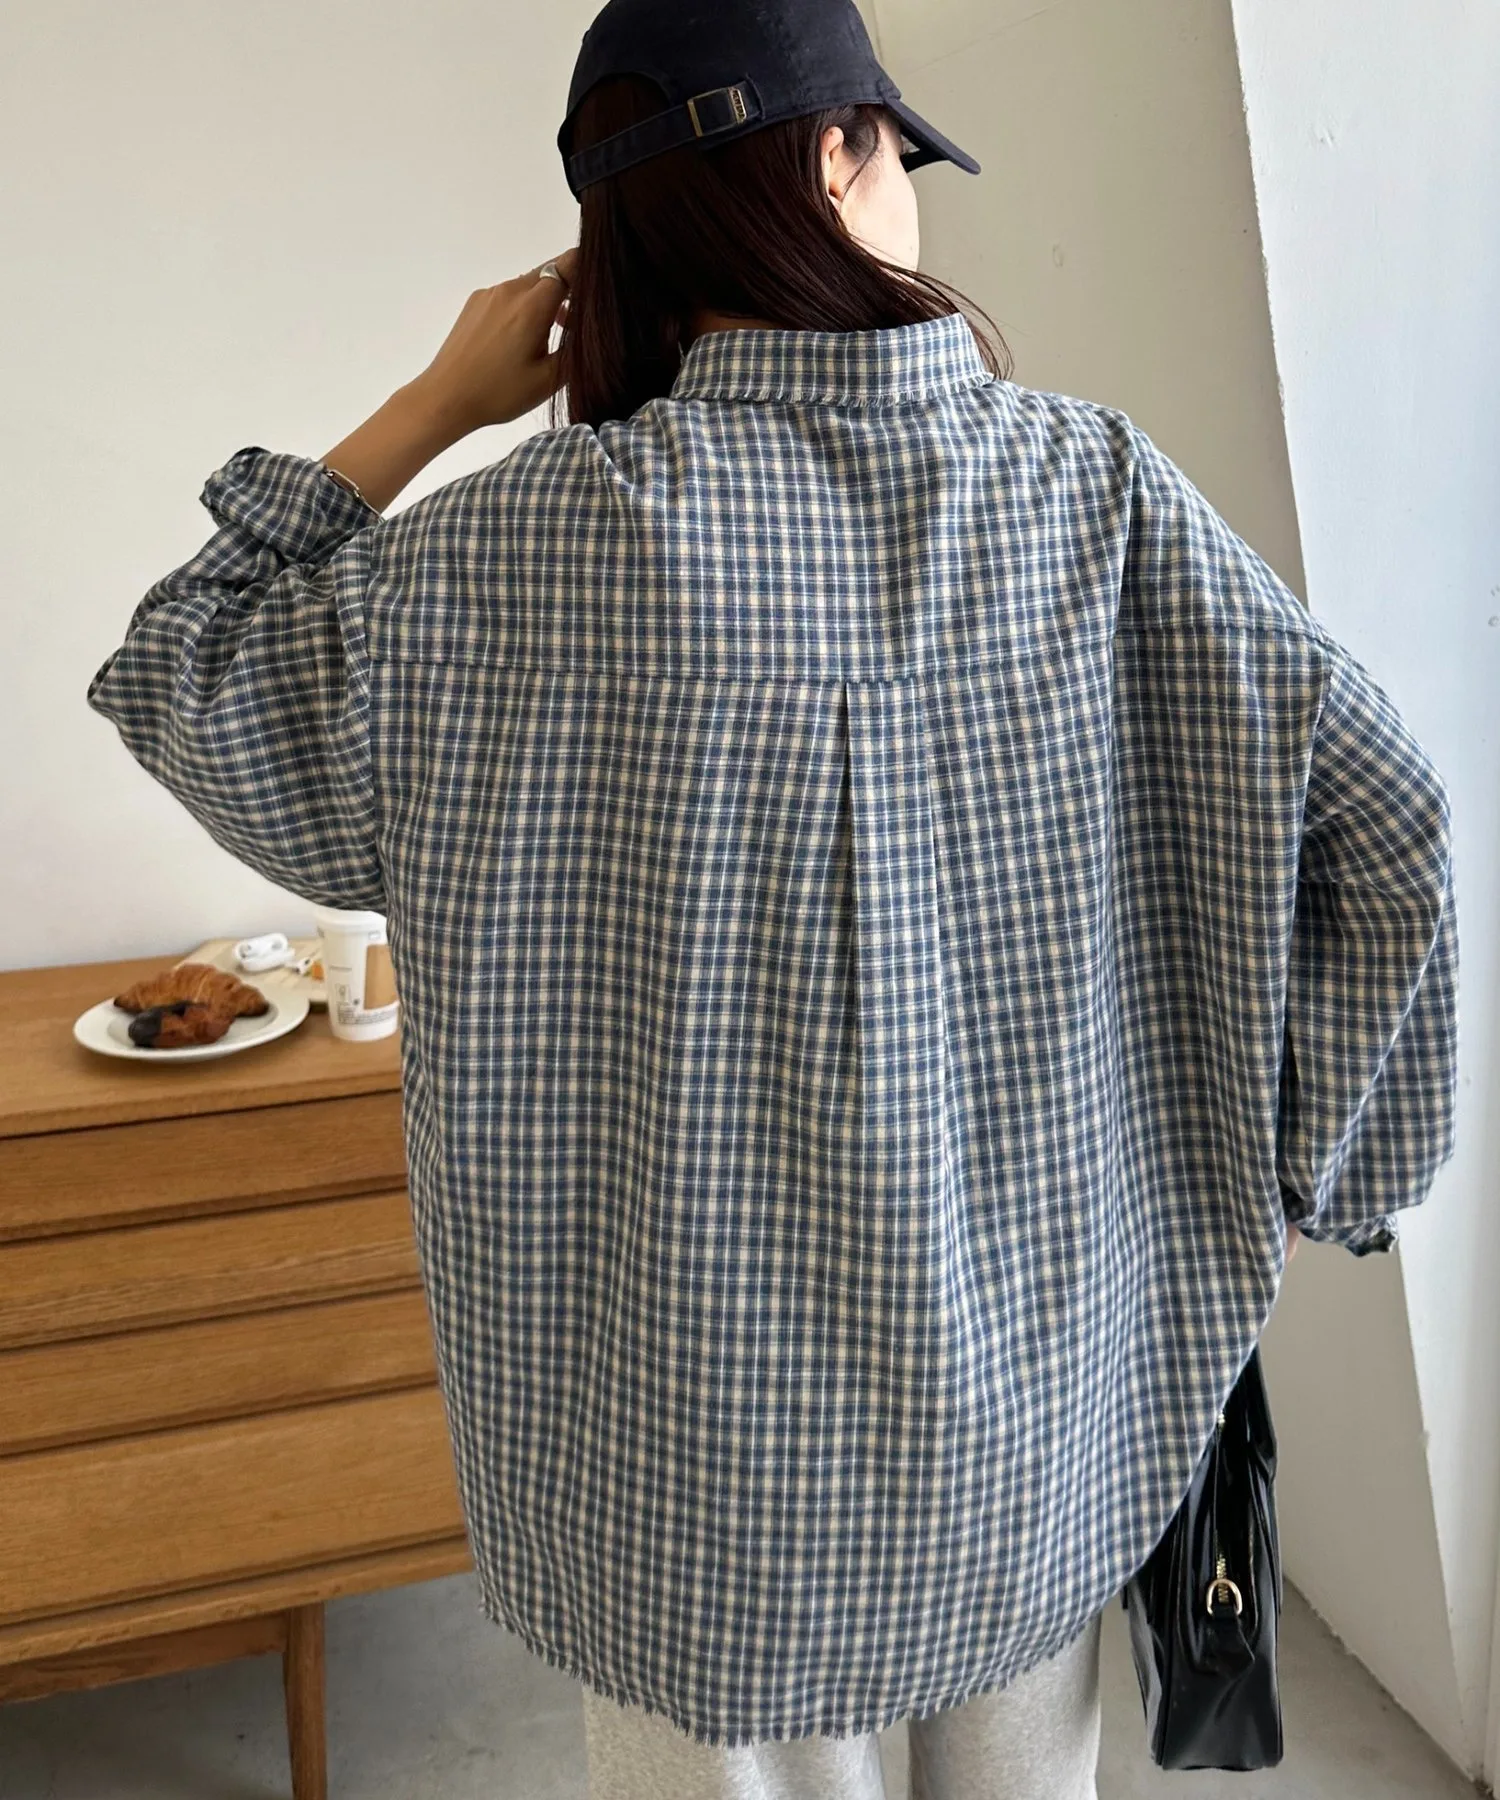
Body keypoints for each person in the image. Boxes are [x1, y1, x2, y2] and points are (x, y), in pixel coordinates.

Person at [86, 0, 1458, 1794]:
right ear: (832, 153)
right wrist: (1330, 1167)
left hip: (686, 1474)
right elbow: (1391, 824)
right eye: (900, 155)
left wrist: (430, 406)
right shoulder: (1098, 499)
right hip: (1040, 1415)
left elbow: (181, 669)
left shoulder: (505, 563)